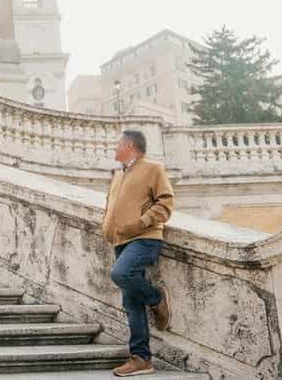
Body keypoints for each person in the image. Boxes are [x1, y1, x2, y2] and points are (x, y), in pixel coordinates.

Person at [101, 130, 174, 377]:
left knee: (120, 273)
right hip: (120, 242)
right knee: (131, 303)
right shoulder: (119, 176)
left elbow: (165, 204)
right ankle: (141, 358)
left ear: (129, 145)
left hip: (145, 239)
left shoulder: (153, 168)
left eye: (117, 144)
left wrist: (140, 223)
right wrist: (107, 228)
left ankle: (156, 299)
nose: (114, 148)